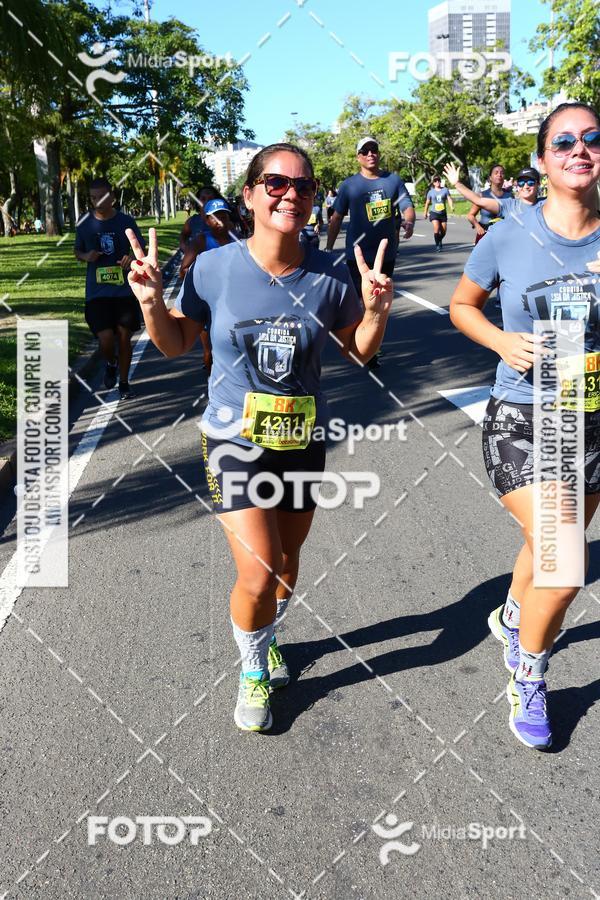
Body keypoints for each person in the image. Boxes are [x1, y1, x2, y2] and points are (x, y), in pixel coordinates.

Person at [125, 142, 393, 733]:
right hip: (231, 438)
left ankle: (268, 636)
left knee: (289, 562)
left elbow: (357, 352)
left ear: (314, 197)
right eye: (275, 183)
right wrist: (150, 303)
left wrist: (376, 311)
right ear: (249, 195)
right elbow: (174, 343)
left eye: (302, 186)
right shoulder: (213, 268)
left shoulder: (329, 273)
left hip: (301, 438)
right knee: (260, 570)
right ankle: (252, 669)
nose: (289, 194)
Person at [449, 102, 600, 751]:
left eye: (592, 138)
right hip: (524, 415)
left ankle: (514, 617)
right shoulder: (509, 235)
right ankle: (530, 676)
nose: (579, 149)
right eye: (563, 141)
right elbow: (462, 305)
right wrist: (500, 342)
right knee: (563, 562)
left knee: (546, 548)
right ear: (542, 159)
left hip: (588, 417)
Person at [326, 136, 414, 367]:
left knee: (377, 298)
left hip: (386, 254)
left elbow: (407, 206)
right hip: (358, 256)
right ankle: (365, 344)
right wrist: (328, 247)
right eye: (364, 151)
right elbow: (336, 217)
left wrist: (409, 222)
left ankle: (371, 345)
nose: (370, 154)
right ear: (358, 157)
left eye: (373, 149)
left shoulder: (392, 181)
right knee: (361, 301)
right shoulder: (349, 185)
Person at [74, 177, 145, 399]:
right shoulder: (84, 223)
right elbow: (77, 251)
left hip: (124, 291)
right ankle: (111, 363)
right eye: (93, 197)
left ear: (112, 197)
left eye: (102, 196)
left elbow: (140, 249)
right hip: (97, 294)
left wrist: (130, 259)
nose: (97, 201)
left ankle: (124, 383)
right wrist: (86, 256)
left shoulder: (126, 221)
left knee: (124, 336)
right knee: (105, 339)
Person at [444, 163, 540, 220]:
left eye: (530, 182)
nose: (526, 186)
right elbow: (477, 200)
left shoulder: (545, 205)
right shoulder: (509, 205)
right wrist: (457, 184)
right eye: (521, 183)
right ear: (517, 186)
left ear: (538, 184)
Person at [466, 164, 513, 244]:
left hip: (504, 236)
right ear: (490, 178)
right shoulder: (482, 196)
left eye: (502, 173)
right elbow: (470, 215)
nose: (499, 175)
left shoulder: (509, 196)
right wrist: (478, 226)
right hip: (485, 235)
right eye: (496, 173)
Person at [423, 175, 454, 251]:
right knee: (436, 228)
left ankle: (439, 239)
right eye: (435, 181)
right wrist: (425, 212)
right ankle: (437, 245)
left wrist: (451, 207)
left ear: (440, 181)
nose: (437, 182)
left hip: (443, 213)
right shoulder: (430, 192)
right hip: (434, 213)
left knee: (443, 231)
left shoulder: (445, 190)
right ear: (433, 183)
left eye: (438, 180)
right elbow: (427, 202)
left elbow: (449, 199)